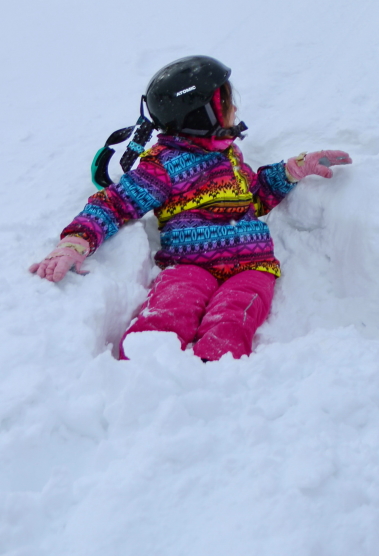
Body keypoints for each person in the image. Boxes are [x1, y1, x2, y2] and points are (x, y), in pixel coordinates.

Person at [28, 54, 351, 362]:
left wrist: (293, 170)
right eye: (224, 103)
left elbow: (253, 198)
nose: (234, 107)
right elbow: (115, 203)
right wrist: (75, 242)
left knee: (233, 320)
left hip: (252, 267)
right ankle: (141, 372)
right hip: (188, 266)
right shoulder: (164, 166)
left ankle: (217, 374)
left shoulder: (230, 156)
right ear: (199, 116)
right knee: (169, 312)